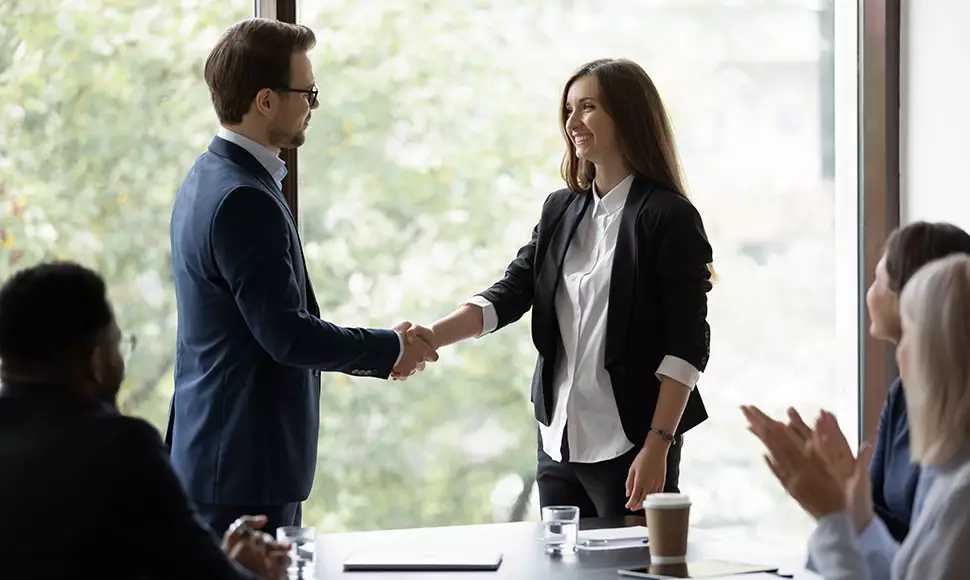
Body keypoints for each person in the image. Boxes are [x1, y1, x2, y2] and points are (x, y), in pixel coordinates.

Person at [407, 58, 714, 517]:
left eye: (587, 107)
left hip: (632, 444)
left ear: (628, 114)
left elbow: (686, 347)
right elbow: (509, 293)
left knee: (631, 570)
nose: (572, 122)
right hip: (558, 440)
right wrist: (430, 337)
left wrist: (659, 447)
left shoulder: (667, 217)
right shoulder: (561, 209)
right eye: (568, 109)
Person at [168, 18, 437, 536]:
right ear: (266, 100)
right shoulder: (245, 198)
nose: (315, 105)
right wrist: (390, 348)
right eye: (308, 92)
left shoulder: (208, 177)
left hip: (218, 457)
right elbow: (286, 334)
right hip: (244, 471)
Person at [0, 262, 288, 580]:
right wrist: (252, 571)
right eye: (118, 345)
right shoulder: (120, 447)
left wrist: (220, 561)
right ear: (94, 361)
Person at [746, 221, 970, 577]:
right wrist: (849, 501)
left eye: (913, 329)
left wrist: (833, 517)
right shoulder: (944, 469)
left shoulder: (960, 496)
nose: (902, 353)